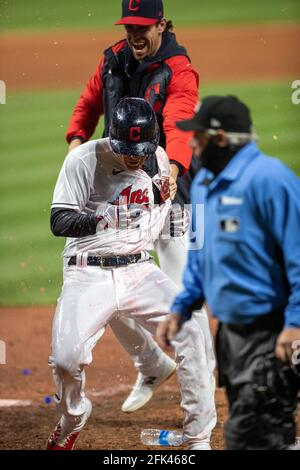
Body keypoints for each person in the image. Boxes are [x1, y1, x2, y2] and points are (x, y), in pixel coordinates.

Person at [65, 0, 216, 449]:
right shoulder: (112, 58)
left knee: (179, 294)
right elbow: (88, 103)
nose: (135, 34)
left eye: (143, 26)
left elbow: (182, 122)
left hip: (180, 192)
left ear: (161, 24)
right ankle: (150, 361)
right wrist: (76, 143)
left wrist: (170, 174)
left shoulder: (178, 68)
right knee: (102, 278)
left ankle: (201, 386)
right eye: (129, 25)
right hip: (123, 192)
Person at [47, 97, 211, 450]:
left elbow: (151, 218)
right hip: (87, 274)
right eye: (127, 148)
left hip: (140, 272)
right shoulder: (84, 159)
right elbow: (59, 221)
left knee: (192, 335)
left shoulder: (160, 163)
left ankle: (199, 437)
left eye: (142, 148)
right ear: (113, 137)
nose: (134, 156)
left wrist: (173, 217)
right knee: (65, 361)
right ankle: (74, 414)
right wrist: (101, 218)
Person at [157, 95, 300, 450]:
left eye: (198, 136)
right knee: (258, 424)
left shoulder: (271, 180)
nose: (191, 143)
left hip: (274, 328)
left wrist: (294, 324)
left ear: (221, 139)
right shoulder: (205, 183)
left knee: (249, 433)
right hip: (232, 334)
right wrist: (182, 306)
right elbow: (200, 255)